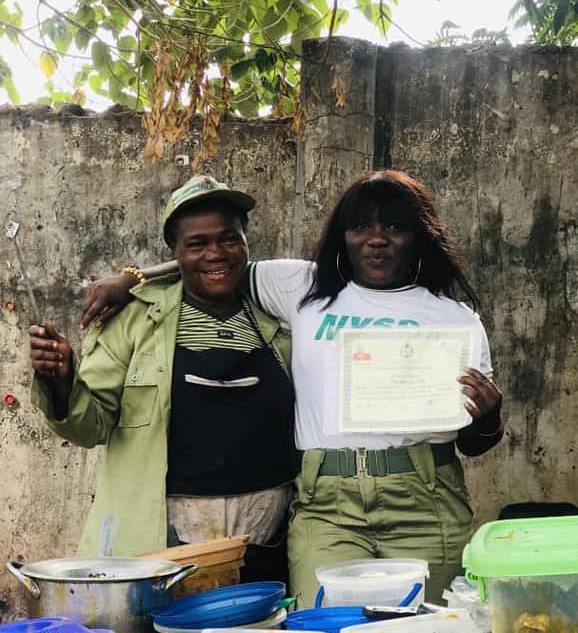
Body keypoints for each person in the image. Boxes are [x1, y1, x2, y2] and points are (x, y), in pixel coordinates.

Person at [81, 170, 503, 604]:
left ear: (419, 235)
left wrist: (489, 418)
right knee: (325, 632)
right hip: (328, 505)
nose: (376, 240)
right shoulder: (301, 286)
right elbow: (214, 260)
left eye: (394, 226)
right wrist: (133, 277)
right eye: (361, 227)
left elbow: (473, 443)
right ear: (343, 236)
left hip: (424, 499)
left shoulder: (456, 321)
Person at [30, 174, 298, 582]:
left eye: (229, 239)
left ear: (246, 243)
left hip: (267, 540)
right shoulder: (133, 319)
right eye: (197, 244)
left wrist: (135, 273)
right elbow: (91, 426)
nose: (216, 253)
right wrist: (61, 380)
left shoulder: (277, 313)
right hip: (164, 538)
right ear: (176, 251)